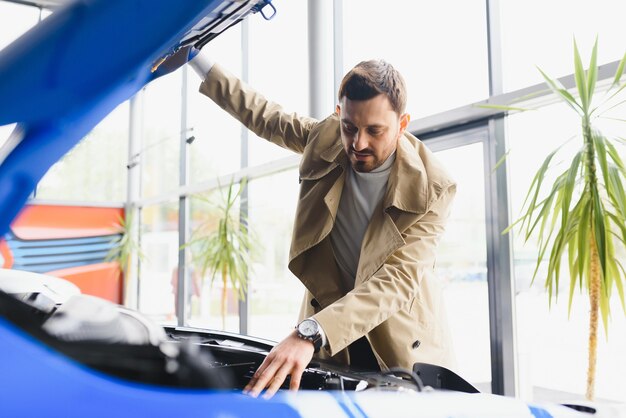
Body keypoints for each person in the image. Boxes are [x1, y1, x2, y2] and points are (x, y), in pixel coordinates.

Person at [154, 46, 457, 399]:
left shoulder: (434, 186)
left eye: (375, 130)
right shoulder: (326, 136)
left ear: (402, 124)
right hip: (332, 334)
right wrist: (194, 58)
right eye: (349, 126)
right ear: (338, 113)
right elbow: (264, 116)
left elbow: (398, 280)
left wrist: (310, 332)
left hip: (397, 339)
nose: (357, 143)